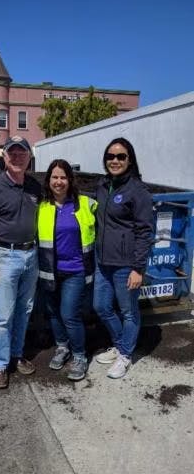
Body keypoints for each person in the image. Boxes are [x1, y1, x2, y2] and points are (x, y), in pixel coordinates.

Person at [0, 136, 41, 388]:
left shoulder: (36, 187)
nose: (17, 157)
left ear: (29, 157)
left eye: (21, 153)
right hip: (4, 256)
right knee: (3, 315)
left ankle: (16, 355)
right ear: (4, 157)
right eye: (12, 153)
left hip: (31, 256)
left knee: (24, 311)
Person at [93, 138, 154, 379]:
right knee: (101, 306)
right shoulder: (102, 185)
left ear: (130, 160)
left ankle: (126, 355)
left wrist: (138, 268)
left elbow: (144, 231)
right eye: (111, 156)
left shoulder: (137, 191)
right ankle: (120, 345)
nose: (115, 160)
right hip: (102, 262)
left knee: (129, 312)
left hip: (126, 265)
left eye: (121, 156)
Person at [37, 159, 97, 381]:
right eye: (55, 177)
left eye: (63, 177)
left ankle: (80, 355)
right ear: (49, 180)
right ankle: (62, 347)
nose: (59, 182)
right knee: (53, 312)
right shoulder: (41, 206)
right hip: (49, 270)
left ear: (70, 180)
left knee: (70, 314)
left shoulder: (85, 204)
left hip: (76, 270)